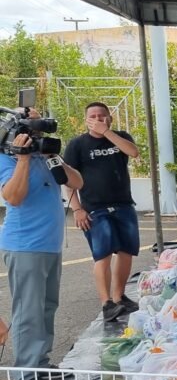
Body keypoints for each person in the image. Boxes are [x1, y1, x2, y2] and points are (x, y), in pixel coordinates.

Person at [0, 110, 84, 380]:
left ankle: (41, 365)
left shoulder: (43, 156)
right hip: (25, 245)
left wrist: (53, 155)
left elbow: (77, 183)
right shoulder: (6, 159)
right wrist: (23, 159)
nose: (36, 135)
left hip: (49, 244)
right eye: (31, 130)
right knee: (28, 311)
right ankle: (24, 375)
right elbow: (14, 196)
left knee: (47, 307)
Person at [63, 102, 141, 322]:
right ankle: (106, 303)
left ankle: (119, 297)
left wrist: (106, 132)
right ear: (86, 120)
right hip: (94, 208)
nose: (97, 119)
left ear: (110, 118)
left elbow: (133, 152)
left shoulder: (120, 137)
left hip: (123, 204)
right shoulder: (77, 145)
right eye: (93, 116)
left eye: (102, 115)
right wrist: (77, 209)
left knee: (126, 251)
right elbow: (68, 180)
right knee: (103, 254)